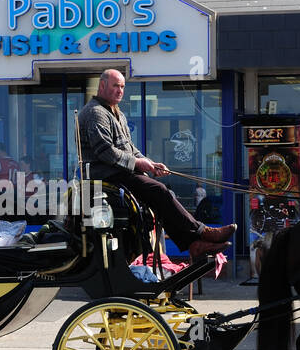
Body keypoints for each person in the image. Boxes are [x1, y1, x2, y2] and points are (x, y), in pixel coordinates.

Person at [78, 69, 235, 259]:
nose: (120, 90)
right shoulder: (95, 112)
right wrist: (139, 163)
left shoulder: (116, 113)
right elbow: (105, 152)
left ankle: (194, 243)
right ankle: (201, 232)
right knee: (159, 191)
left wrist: (151, 164)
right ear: (102, 85)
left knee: (164, 194)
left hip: (121, 173)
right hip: (107, 176)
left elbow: (130, 148)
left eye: (122, 87)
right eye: (115, 86)